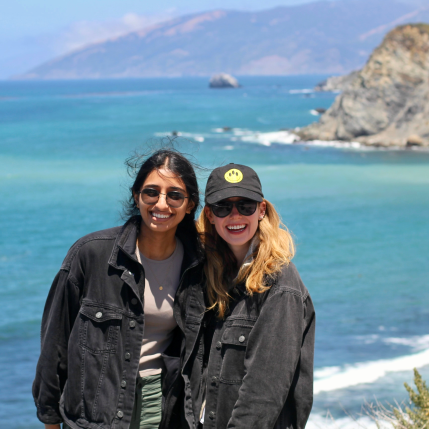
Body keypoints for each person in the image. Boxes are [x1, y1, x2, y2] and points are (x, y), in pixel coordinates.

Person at [32, 148, 205, 429]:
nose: (162, 204)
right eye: (151, 192)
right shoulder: (91, 254)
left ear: (189, 204)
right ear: (137, 196)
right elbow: (55, 345)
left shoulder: (199, 265)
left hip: (159, 405)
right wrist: (50, 419)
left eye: (175, 195)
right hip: (95, 412)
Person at [183, 163, 315, 429]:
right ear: (209, 214)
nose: (235, 216)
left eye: (245, 206)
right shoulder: (207, 277)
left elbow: (264, 392)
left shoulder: (280, 284)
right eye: (223, 207)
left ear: (261, 210)